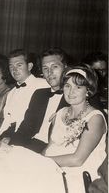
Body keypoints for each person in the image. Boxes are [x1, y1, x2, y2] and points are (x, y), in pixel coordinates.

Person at [44, 65, 107, 193]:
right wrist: (34, 159)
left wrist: (42, 162)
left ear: (88, 90)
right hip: (53, 168)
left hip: (78, 174)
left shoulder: (95, 118)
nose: (71, 92)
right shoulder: (61, 112)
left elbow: (78, 159)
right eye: (67, 86)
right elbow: (50, 147)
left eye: (78, 87)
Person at [9, 47, 69, 153]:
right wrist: (11, 148)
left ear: (65, 67)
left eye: (54, 66)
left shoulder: (76, 98)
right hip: (31, 145)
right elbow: (25, 128)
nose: (49, 72)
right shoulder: (39, 94)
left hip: (54, 151)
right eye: (45, 68)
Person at [0, 49, 49, 139]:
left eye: (19, 65)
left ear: (29, 66)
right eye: (11, 66)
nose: (14, 70)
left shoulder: (43, 85)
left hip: (29, 137)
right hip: (9, 133)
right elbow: (6, 121)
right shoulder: (11, 92)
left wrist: (12, 140)